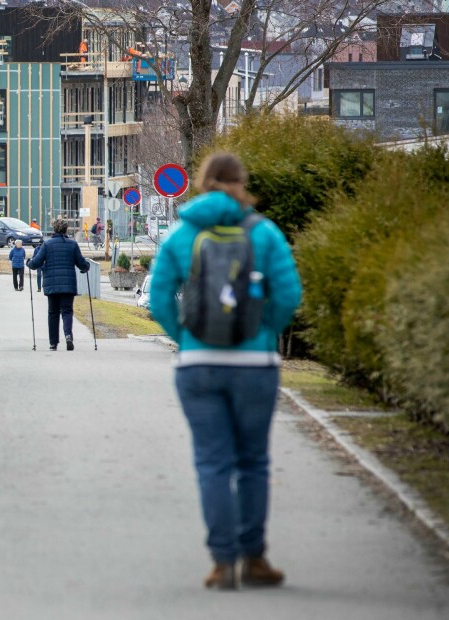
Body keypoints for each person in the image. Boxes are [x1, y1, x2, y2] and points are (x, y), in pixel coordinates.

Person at [149, 152, 302, 590]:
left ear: (201, 182)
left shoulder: (182, 234)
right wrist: (264, 330)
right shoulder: (265, 233)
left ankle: (222, 561)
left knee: (212, 462)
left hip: (199, 365)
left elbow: (160, 296)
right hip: (256, 365)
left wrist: (185, 335)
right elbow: (289, 293)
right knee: (253, 461)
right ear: (241, 183)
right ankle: (254, 557)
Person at [27, 218, 89, 351]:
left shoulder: (48, 245)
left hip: (52, 285)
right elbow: (81, 263)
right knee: (67, 311)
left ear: (54, 229)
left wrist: (29, 263)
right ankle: (68, 336)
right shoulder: (72, 245)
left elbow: (36, 262)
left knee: (53, 313)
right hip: (68, 285)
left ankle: (53, 343)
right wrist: (86, 268)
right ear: (66, 229)